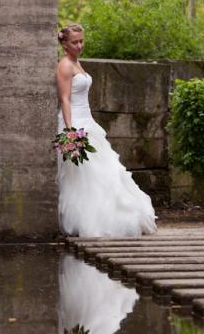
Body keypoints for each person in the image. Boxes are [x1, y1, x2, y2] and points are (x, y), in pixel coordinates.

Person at [55, 22, 157, 237]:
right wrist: (70, 132)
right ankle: (89, 221)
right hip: (74, 122)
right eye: (75, 42)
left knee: (103, 171)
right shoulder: (64, 65)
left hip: (88, 121)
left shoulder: (77, 63)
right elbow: (64, 99)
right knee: (84, 175)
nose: (80, 46)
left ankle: (114, 217)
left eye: (81, 41)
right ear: (65, 44)